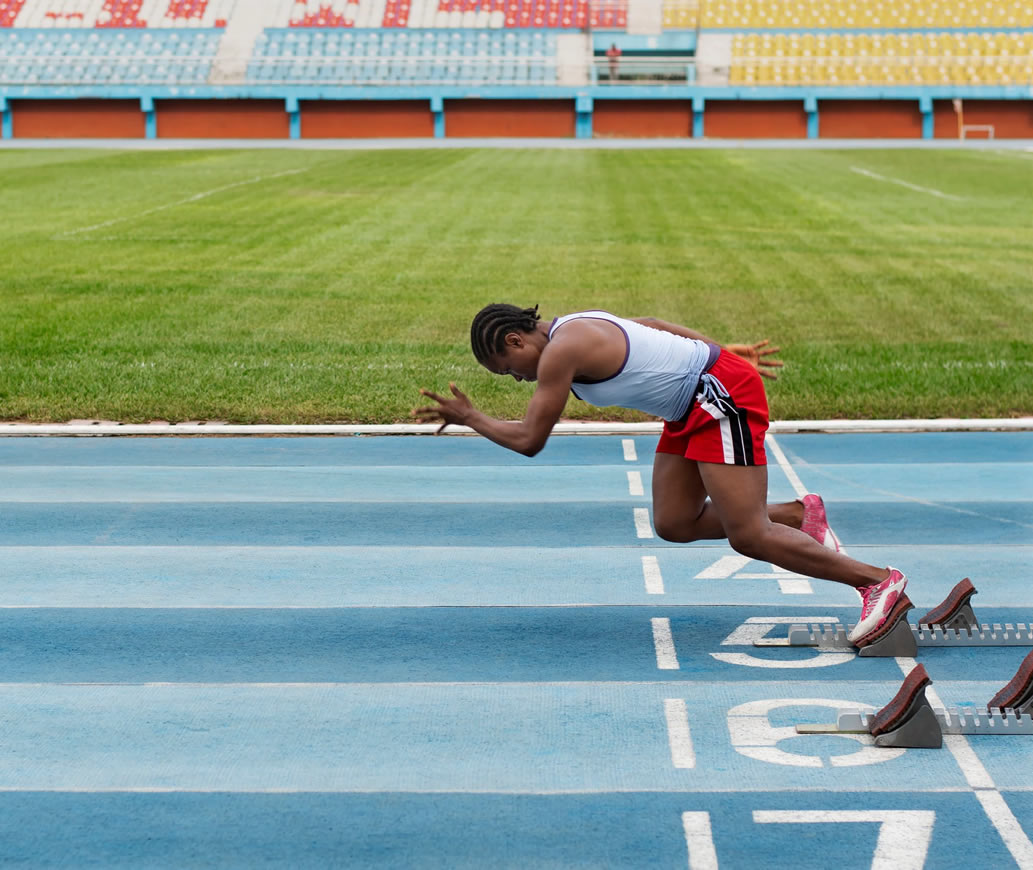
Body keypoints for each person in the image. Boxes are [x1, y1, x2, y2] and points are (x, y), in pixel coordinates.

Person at [414, 304, 909, 644]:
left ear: (514, 339)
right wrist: (724, 351)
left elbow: (530, 440)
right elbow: (648, 324)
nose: (519, 378)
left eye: (509, 368)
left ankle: (877, 582)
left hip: (718, 397)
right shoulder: (574, 324)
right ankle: (801, 516)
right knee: (674, 522)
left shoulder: (561, 352)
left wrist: (472, 417)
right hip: (691, 402)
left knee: (750, 536)